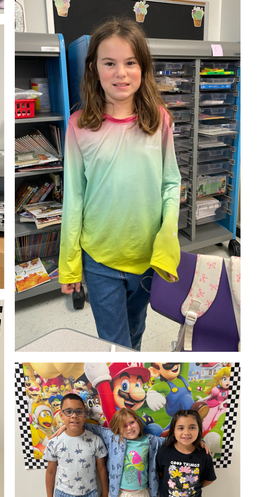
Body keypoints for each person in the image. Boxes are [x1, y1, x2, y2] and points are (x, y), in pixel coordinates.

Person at [58, 18, 181, 349]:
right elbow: (74, 199)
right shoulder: (79, 126)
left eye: (130, 63)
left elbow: (171, 183)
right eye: (109, 63)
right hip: (100, 262)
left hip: (147, 260)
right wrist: (69, 267)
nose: (120, 73)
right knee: (114, 344)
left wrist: (167, 244)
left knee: (136, 332)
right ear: (94, 68)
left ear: (143, 67)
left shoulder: (159, 120)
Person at [60, 408, 161, 497]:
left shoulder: (150, 441)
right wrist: (68, 425)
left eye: (132, 422)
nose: (130, 427)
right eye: (124, 426)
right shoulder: (113, 438)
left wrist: (199, 443)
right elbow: (92, 427)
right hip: (119, 496)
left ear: (138, 421)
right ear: (117, 429)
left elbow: (174, 440)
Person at [43, 394, 109, 497]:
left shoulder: (95, 440)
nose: (74, 415)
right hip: (63, 496)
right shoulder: (54, 442)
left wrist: (105, 491)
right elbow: (51, 472)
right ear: (61, 414)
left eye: (79, 411)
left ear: (85, 415)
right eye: (69, 411)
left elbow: (101, 468)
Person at [156, 410, 216, 497]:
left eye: (192, 427)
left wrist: (193, 486)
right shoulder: (164, 452)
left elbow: (209, 479)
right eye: (181, 428)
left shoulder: (203, 455)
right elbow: (160, 474)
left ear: (199, 429)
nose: (186, 432)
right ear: (173, 430)